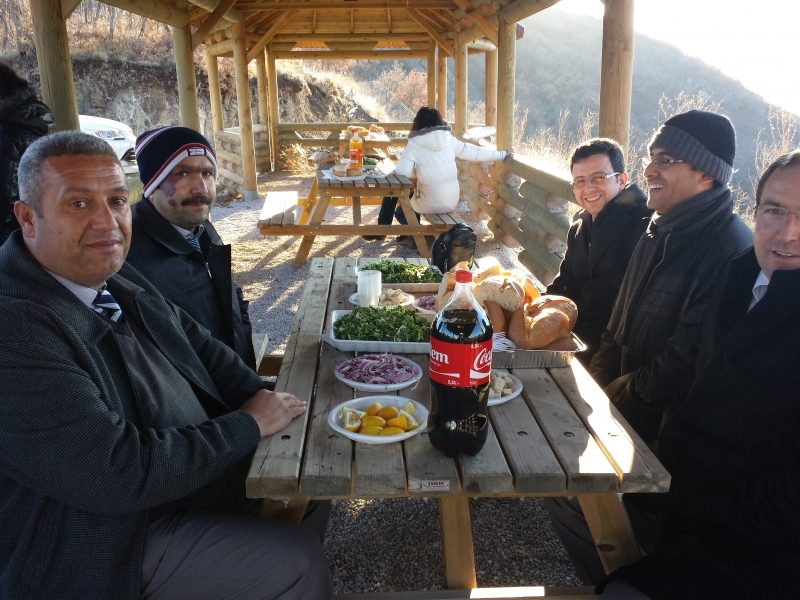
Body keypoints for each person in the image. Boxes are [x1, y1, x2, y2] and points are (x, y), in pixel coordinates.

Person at [0, 131, 332, 599]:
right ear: (27, 217)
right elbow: (114, 475)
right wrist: (248, 424)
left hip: (178, 474)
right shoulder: (15, 328)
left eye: (117, 200)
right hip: (97, 533)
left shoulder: (108, 272)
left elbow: (197, 343)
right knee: (296, 563)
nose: (107, 222)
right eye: (78, 204)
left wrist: (255, 391)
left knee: (309, 474)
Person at [597, 151, 800, 599]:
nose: (788, 234)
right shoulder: (740, 275)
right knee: (577, 503)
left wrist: (691, 503)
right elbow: (693, 390)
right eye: (774, 210)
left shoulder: (722, 251)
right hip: (674, 485)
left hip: (757, 545)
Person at [589, 110, 752, 446]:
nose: (648, 170)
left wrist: (607, 399)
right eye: (651, 158)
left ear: (706, 172)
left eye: (665, 160)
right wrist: (597, 380)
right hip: (621, 405)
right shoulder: (660, 225)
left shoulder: (729, 252)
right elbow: (619, 317)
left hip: (662, 433)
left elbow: (680, 365)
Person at [126, 126, 257, 370]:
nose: (201, 188)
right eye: (183, 173)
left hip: (236, 386)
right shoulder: (128, 257)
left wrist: (245, 370)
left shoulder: (202, 230)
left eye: (208, 173)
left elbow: (232, 298)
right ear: (153, 183)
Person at [547, 138, 651, 365]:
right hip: (576, 340)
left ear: (622, 180)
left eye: (599, 178)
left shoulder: (645, 227)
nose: (589, 188)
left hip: (615, 356)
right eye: (580, 181)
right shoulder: (580, 227)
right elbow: (564, 283)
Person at [366, 107, 512, 246]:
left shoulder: (415, 143)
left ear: (418, 123)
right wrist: (501, 154)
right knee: (404, 196)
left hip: (429, 201)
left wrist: (416, 171)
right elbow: (476, 152)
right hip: (450, 200)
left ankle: (416, 236)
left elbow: (402, 172)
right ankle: (401, 233)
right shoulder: (449, 139)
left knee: (400, 208)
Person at [0, 60, 54, 244]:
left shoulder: (7, 132)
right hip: (26, 230)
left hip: (8, 239)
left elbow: (3, 199)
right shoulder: (27, 120)